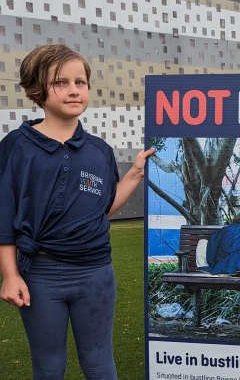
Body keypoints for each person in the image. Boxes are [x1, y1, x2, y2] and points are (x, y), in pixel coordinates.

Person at [0, 44, 154, 379]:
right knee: (49, 365)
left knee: (99, 363)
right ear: (38, 89)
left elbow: (101, 209)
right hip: (39, 276)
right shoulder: (16, 147)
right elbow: (4, 217)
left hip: (96, 274)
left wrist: (133, 175)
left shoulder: (99, 151)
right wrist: (11, 276)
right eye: (61, 82)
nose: (73, 90)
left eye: (80, 82)